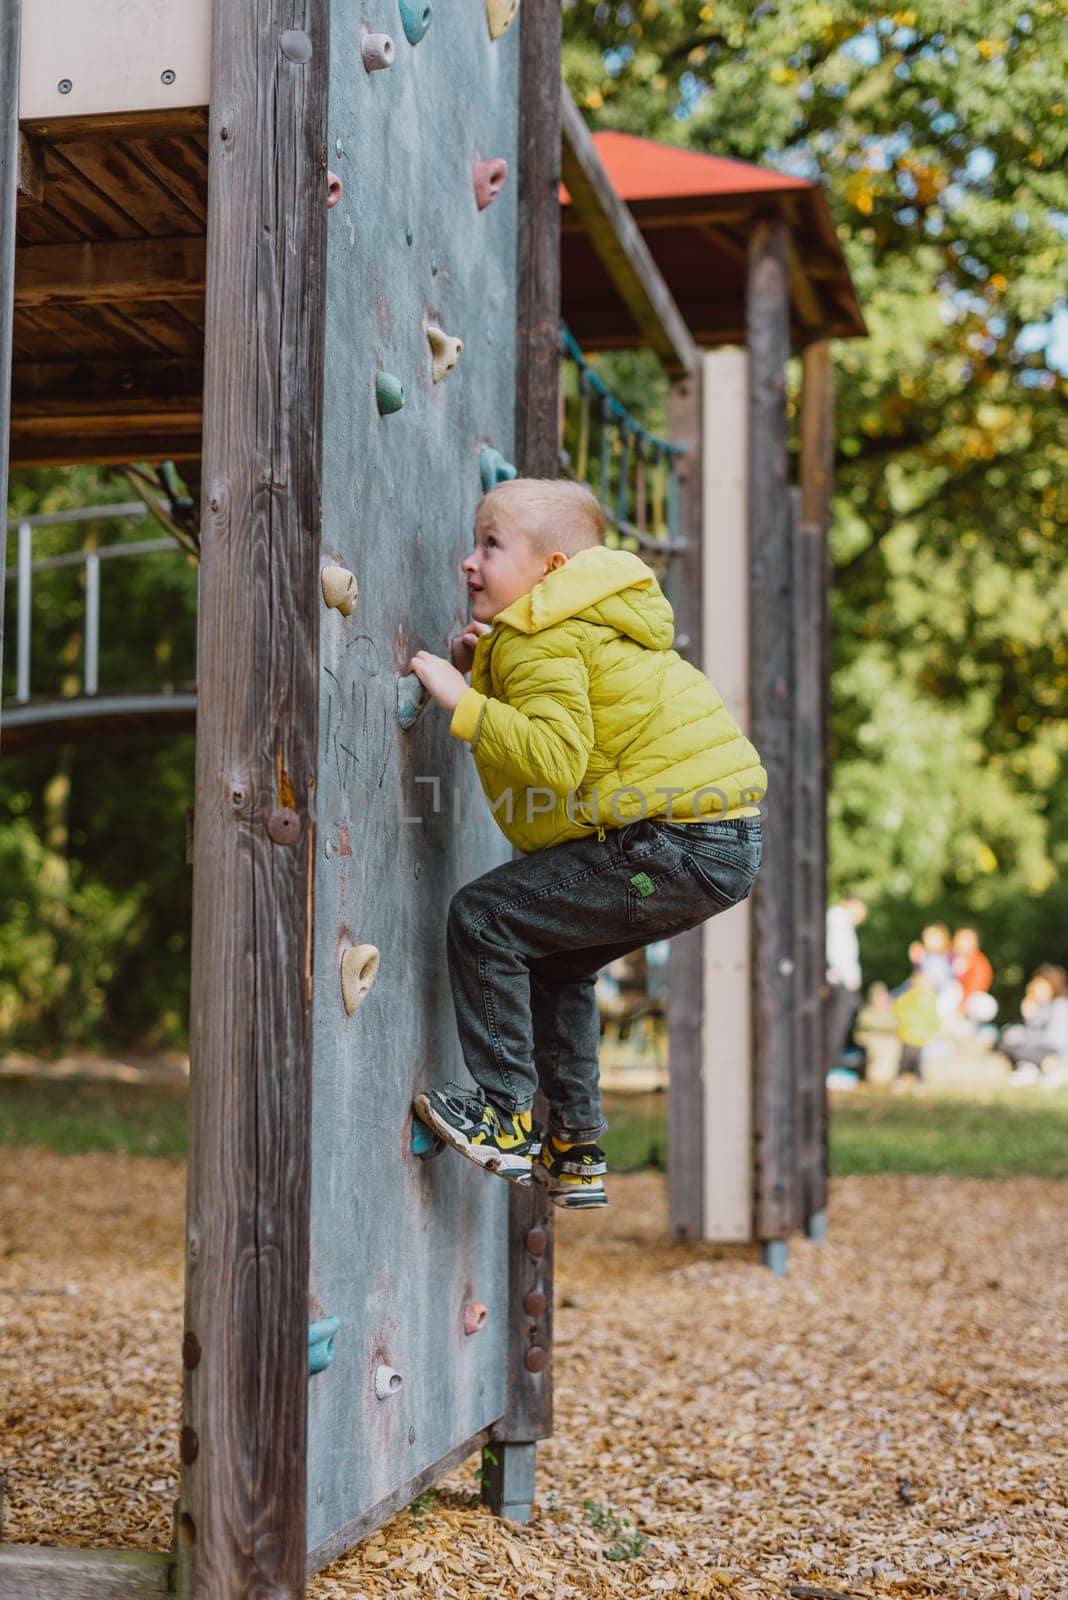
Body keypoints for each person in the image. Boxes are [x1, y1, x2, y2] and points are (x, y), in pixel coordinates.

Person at [406, 477, 767, 1209]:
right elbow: (568, 726)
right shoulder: (582, 624)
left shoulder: (541, 635)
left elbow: (553, 759)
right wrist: (492, 680)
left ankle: (506, 1121)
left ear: (552, 570)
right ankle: (574, 1146)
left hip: (674, 841)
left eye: (491, 545)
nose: (468, 563)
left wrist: (462, 698)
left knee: (486, 917)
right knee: (556, 964)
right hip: (715, 841)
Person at [998, 965, 1068, 1084]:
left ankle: (1047, 1066)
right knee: (1008, 1040)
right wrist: (1029, 1015)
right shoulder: (1040, 1005)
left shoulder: (1060, 1006)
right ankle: (1032, 1067)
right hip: (1040, 1046)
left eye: (1041, 985)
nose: (1035, 988)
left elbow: (1054, 1039)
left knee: (1014, 1044)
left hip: (1054, 1049)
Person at [825, 896, 867, 1077]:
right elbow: (838, 953)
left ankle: (836, 1062)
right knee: (837, 1025)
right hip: (840, 982)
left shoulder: (841, 921)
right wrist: (847, 975)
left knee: (843, 1025)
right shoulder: (838, 919)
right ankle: (830, 1065)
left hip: (843, 981)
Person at [892, 972, 940, 1085]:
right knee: (910, 1059)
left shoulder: (924, 1000)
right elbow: (933, 1019)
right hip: (912, 1034)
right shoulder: (927, 1000)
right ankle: (911, 1079)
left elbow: (932, 1019)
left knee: (910, 1059)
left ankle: (910, 1079)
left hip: (915, 1034)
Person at [951, 927, 997, 1029]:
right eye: (961, 938)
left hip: (966, 1005)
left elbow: (977, 987)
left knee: (986, 1005)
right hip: (946, 1002)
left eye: (967, 938)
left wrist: (962, 1007)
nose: (963, 942)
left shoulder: (980, 963)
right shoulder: (948, 957)